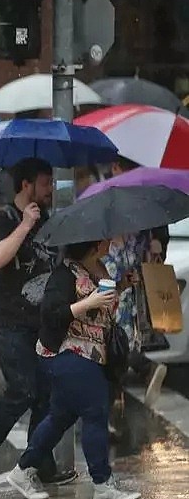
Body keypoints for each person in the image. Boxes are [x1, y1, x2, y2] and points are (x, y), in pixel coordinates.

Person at [0, 159, 76, 491]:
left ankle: (39, 463)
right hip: (6, 320)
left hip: (37, 322)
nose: (50, 189)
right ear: (26, 186)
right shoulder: (7, 218)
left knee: (45, 394)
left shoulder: (49, 221)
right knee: (23, 388)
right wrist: (24, 225)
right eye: (44, 183)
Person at [7, 239, 141, 499]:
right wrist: (88, 302)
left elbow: (102, 309)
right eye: (104, 240)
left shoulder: (98, 269)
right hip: (70, 354)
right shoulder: (64, 274)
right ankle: (102, 484)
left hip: (93, 354)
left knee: (60, 417)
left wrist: (122, 286)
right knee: (95, 412)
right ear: (92, 246)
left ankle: (22, 470)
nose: (110, 242)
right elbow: (52, 314)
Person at [103, 158, 169, 409]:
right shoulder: (117, 199)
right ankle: (121, 388)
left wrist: (157, 244)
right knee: (118, 338)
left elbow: (158, 234)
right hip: (119, 278)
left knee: (117, 337)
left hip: (123, 279)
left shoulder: (138, 201)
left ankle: (136, 375)